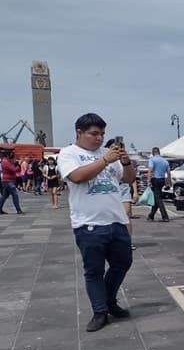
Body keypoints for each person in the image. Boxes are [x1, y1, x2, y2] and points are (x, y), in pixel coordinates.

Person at [58, 113, 136, 332]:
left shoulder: (108, 154)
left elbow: (129, 179)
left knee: (123, 263)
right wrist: (104, 161)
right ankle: (99, 311)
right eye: (94, 134)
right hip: (89, 224)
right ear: (79, 132)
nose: (99, 138)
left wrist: (125, 160)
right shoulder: (69, 153)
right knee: (93, 270)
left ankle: (109, 300)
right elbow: (77, 177)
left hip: (117, 220)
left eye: (102, 134)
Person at [105, 139, 138, 250]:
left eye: (120, 147)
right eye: (114, 147)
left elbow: (132, 178)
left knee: (126, 215)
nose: (117, 150)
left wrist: (135, 192)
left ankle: (128, 241)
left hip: (123, 187)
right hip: (110, 189)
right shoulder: (104, 160)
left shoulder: (125, 160)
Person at [146, 147, 171, 222]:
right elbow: (169, 173)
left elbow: (150, 170)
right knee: (157, 197)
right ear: (159, 152)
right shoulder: (165, 161)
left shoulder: (152, 159)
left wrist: (148, 181)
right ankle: (151, 215)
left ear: (153, 152)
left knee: (158, 198)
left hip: (155, 179)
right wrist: (169, 183)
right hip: (162, 180)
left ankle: (165, 216)